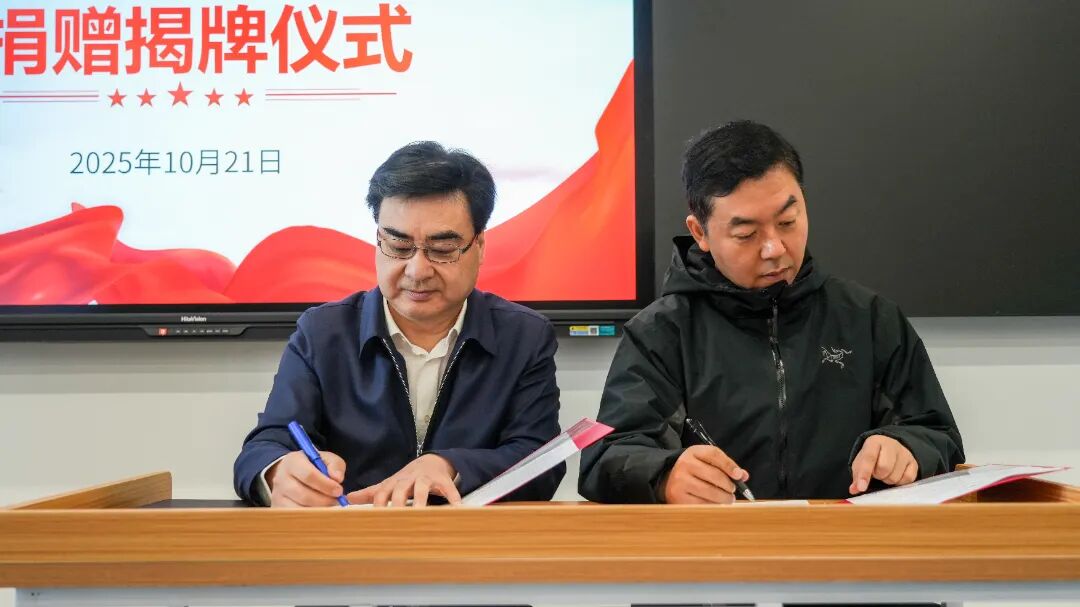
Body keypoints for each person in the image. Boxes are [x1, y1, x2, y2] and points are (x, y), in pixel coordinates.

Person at [579, 120, 964, 504]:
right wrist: (664, 476)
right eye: (746, 234)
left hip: (845, 538)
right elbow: (605, 460)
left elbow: (939, 435)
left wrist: (906, 448)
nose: (774, 248)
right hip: (718, 540)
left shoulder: (869, 319)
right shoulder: (661, 333)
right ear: (700, 233)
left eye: (788, 222)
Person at [234, 141, 565, 507]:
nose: (417, 270)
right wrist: (279, 473)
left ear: (480, 246)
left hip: (468, 539)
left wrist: (450, 466)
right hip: (350, 536)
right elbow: (265, 447)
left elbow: (541, 463)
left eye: (442, 249)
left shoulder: (523, 336)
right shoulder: (324, 332)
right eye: (397, 245)